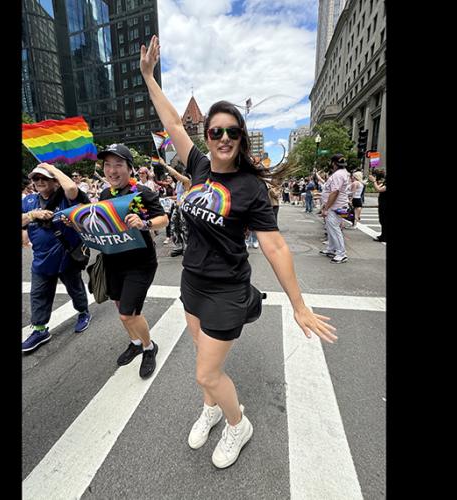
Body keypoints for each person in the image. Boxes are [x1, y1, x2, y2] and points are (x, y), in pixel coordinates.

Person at [141, 35, 337, 468]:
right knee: (201, 357)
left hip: (228, 290)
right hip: (192, 282)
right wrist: (149, 77)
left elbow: (275, 245)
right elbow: (173, 122)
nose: (224, 137)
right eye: (216, 131)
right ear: (207, 136)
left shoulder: (250, 187)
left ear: (240, 137)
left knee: (206, 372)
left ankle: (237, 424)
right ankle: (212, 408)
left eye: (232, 131)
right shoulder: (197, 165)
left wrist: (300, 304)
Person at [97, 143, 170, 379]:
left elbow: (164, 219)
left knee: (128, 314)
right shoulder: (105, 194)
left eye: (118, 164)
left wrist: (145, 223)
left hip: (140, 263)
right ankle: (135, 342)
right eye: (107, 165)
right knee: (120, 306)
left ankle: (149, 347)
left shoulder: (143, 192)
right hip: (113, 261)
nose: (112, 170)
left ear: (130, 168)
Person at [21, 163, 92, 352]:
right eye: (36, 178)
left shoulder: (65, 197)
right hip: (41, 260)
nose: (39, 181)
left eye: (44, 177)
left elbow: (70, 187)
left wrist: (49, 166)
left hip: (66, 256)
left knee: (75, 288)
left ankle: (83, 312)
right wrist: (32, 215)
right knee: (38, 295)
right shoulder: (28, 201)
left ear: (55, 180)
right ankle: (39, 330)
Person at [319, 154, 350, 263]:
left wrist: (326, 208)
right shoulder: (343, 173)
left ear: (333, 163)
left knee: (334, 229)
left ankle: (341, 253)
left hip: (335, 207)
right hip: (337, 206)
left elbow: (335, 192)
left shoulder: (338, 175)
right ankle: (332, 249)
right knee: (331, 228)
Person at [368, 169, 387, 242]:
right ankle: (383, 235)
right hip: (382, 204)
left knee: (384, 220)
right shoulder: (385, 182)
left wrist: (374, 181)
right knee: (382, 220)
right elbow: (379, 186)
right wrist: (375, 181)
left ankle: (384, 237)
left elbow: (379, 189)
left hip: (385, 205)